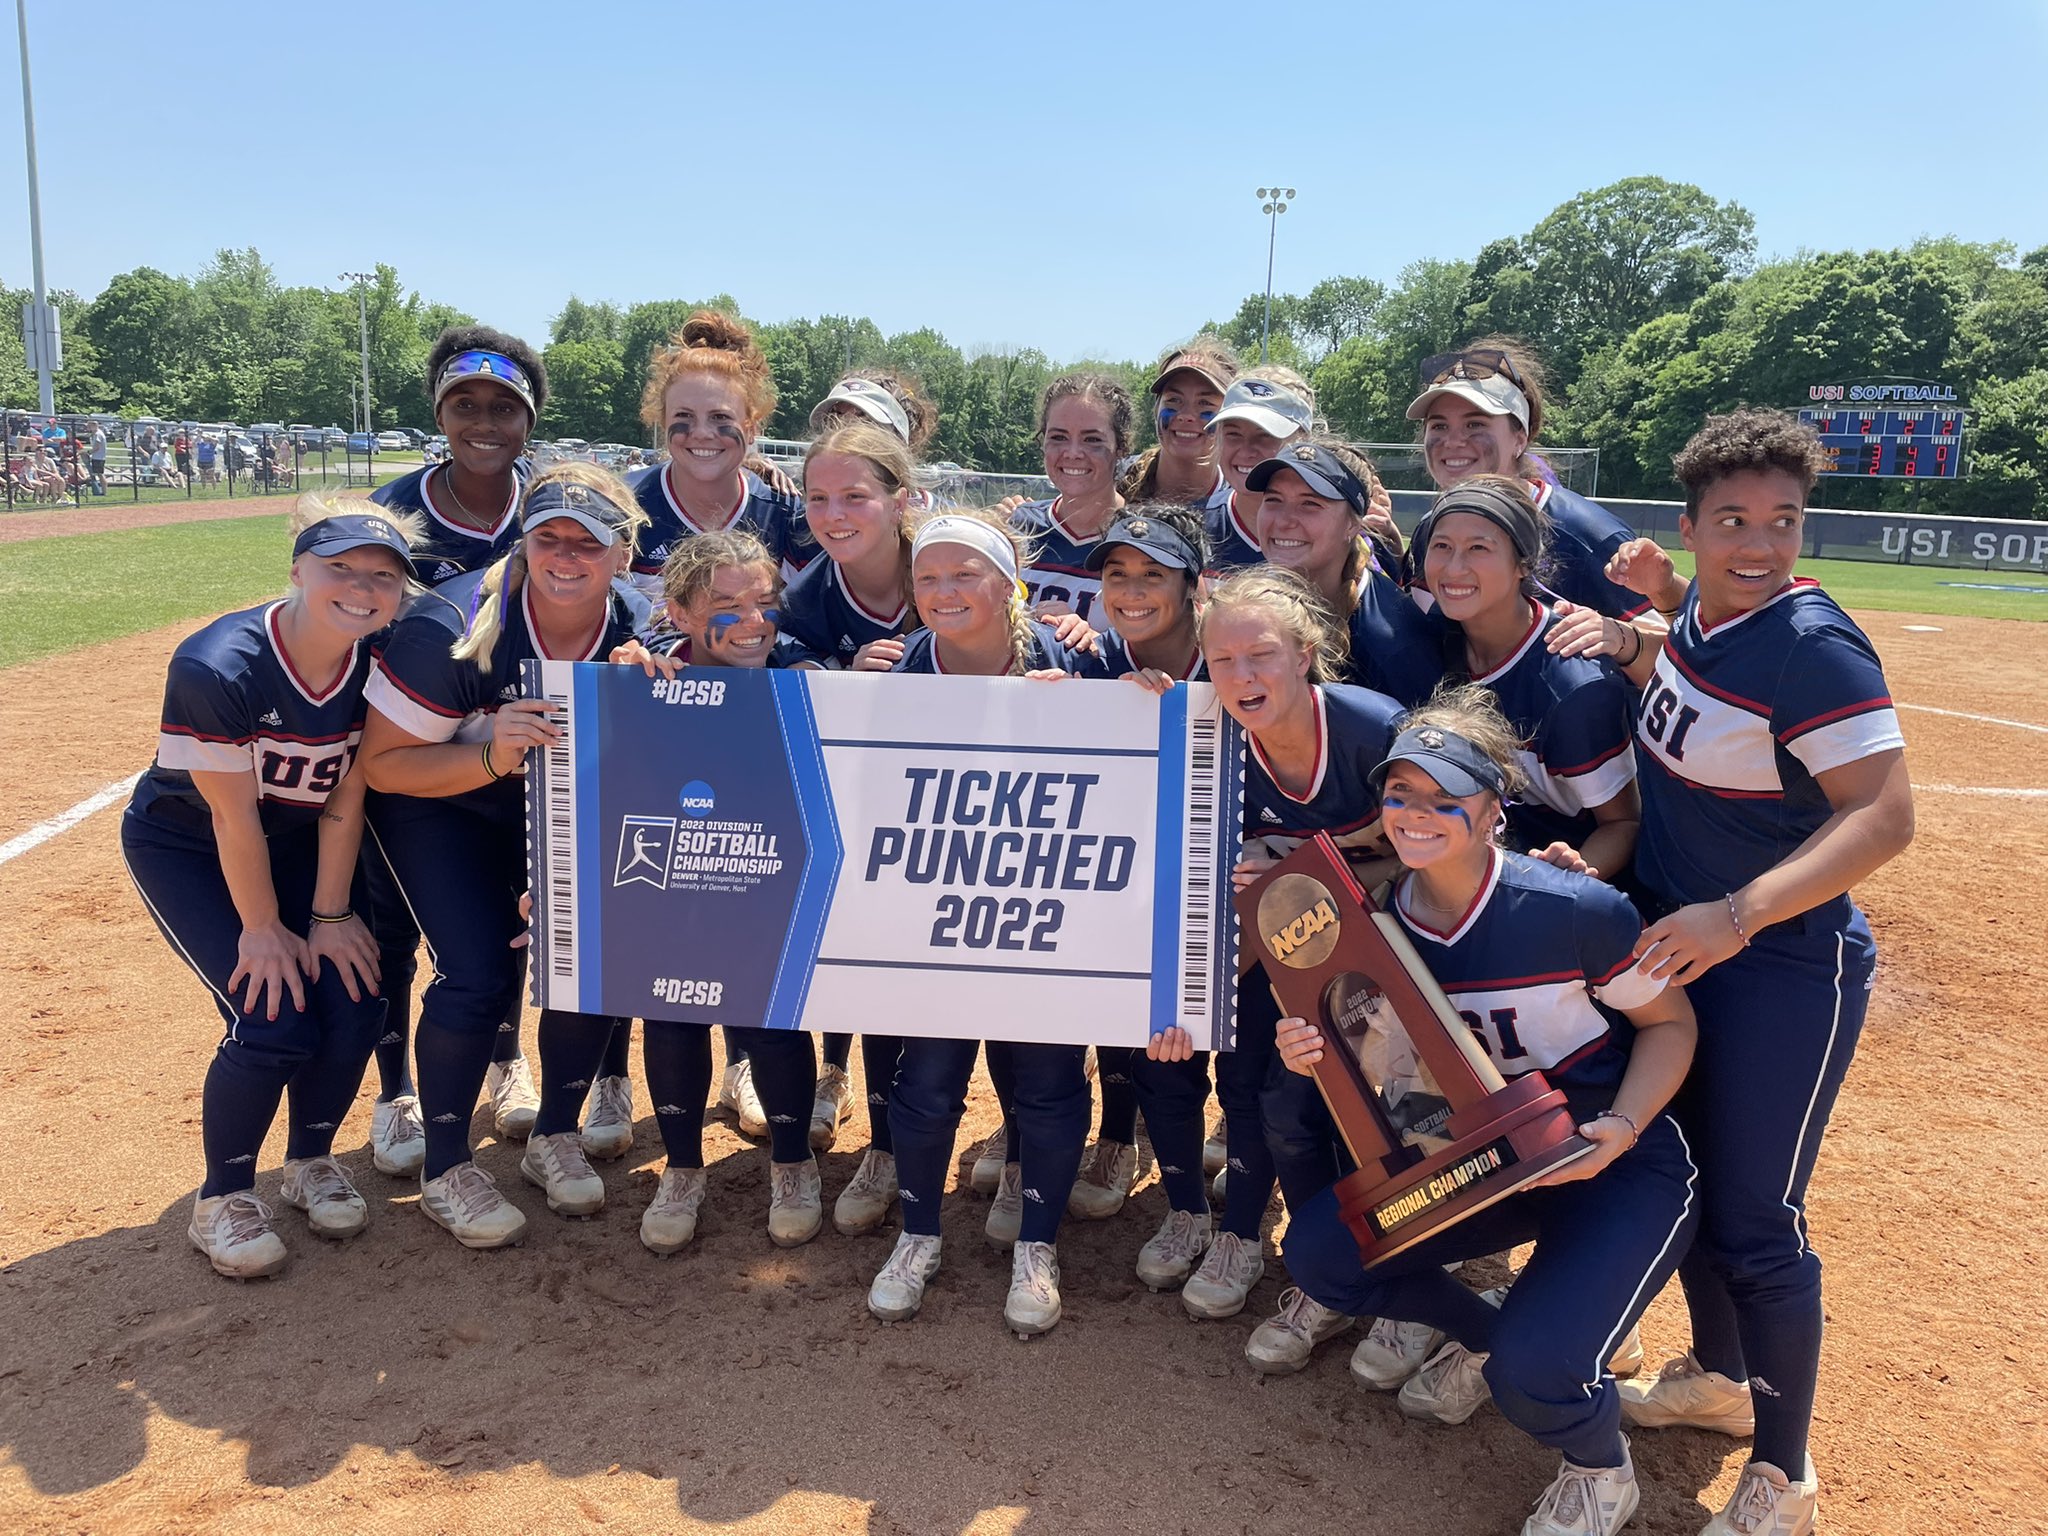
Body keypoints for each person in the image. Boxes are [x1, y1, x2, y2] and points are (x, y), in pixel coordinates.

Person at [1549, 410, 1914, 1536]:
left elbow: (1885, 815)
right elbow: (1689, 679)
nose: (1759, 545)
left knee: (1757, 1219)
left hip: (1779, 968)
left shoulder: (1812, 644)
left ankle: (1785, 1473)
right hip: (1686, 945)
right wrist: (1637, 633)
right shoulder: (1706, 610)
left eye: (1782, 523)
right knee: (1695, 1183)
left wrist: (1736, 913)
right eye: (1734, 522)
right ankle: (1713, 1379)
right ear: (1691, 524)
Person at [1277, 689, 1700, 1536]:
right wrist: (1323, 1052)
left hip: (1611, 1160)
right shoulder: (1382, 927)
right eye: (1400, 795)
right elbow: (1409, 1090)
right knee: (1323, 1255)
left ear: (1491, 810)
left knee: (1535, 1377)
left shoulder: (1573, 908)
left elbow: (1670, 1023)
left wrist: (1620, 1128)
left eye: (1443, 798)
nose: (1416, 814)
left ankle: (1599, 1468)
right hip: (1488, 1167)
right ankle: (1491, 1333)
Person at [120, 500, 417, 1278]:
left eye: (381, 577)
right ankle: (221, 1200)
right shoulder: (218, 665)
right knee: (271, 1011)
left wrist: (328, 915)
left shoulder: (381, 656)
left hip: (300, 839)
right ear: (297, 570)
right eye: (340, 568)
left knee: (356, 995)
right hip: (190, 843)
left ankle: (310, 1160)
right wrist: (262, 929)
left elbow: (346, 797)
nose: (361, 588)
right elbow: (232, 818)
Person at [356, 465, 645, 1249]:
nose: (565, 556)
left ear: (623, 552)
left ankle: (554, 1134)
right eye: (547, 537)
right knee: (479, 969)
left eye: (589, 543)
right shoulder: (450, 623)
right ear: (523, 543)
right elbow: (383, 765)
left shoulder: (637, 628)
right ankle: (446, 1166)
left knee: (593, 949)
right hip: (437, 803)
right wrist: (493, 756)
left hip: (547, 803)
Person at [1156, 566, 1405, 1374]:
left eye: (1260, 655)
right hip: (1283, 955)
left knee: (1392, 1118)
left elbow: (1456, 850)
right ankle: (1323, 1274)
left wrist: (1314, 877)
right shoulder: (1211, 736)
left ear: (1306, 653)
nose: (1241, 677)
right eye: (1221, 662)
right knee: (1281, 1108)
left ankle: (1413, 1288)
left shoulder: (1373, 731)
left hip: (1398, 958)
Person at [866, 509, 1105, 1337]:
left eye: (966, 573)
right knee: (926, 1085)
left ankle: (1037, 1244)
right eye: (928, 577)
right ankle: (918, 1236)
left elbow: (1145, 748)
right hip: (938, 916)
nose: (944, 591)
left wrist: (1101, 702)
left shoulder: (1073, 656)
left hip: (1043, 913)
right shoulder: (897, 677)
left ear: (1011, 584)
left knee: (1046, 1083)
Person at [360, 328, 556, 1178]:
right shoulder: (391, 514)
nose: (485, 421)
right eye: (465, 405)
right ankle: (395, 1089)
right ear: (440, 414)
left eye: (505, 407)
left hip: (513, 762)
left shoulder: (549, 507)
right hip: (405, 753)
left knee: (505, 921)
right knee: (393, 930)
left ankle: (506, 1062)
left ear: (528, 420)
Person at [608, 529, 829, 1252]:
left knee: (772, 1017)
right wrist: (625, 677)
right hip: (674, 876)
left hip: (770, 874)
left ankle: (793, 1164)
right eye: (725, 604)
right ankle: (682, 1169)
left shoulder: (806, 670)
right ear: (676, 609)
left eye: (764, 600)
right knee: (671, 1011)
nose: (751, 619)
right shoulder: (648, 679)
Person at [781, 419, 923, 1185]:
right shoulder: (809, 592)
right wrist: (840, 668)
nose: (834, 513)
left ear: (900, 500)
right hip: (855, 804)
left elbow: (1012, 636)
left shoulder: (943, 565)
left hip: (942, 804)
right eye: (819, 496)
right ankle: (876, 1137)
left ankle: (947, 1133)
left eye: (856, 496)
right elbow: (783, 670)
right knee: (861, 958)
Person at [1413, 475, 1639, 882]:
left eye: (1478, 548)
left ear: (1523, 565)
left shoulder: (1572, 682)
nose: (1453, 567)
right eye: (1441, 546)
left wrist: (1570, 878)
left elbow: (1624, 823)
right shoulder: (1436, 635)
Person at [1406, 339, 1649, 621]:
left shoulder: (1584, 533)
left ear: (1520, 438)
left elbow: (1670, 650)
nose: (1453, 441)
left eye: (1475, 424)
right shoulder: (1430, 531)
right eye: (1439, 426)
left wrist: (1620, 640)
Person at [629, 310, 808, 608]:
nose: (701, 433)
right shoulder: (625, 505)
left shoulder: (784, 514)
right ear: (662, 422)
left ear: (751, 430)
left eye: (720, 417)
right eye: (683, 416)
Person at [1246, 440, 1443, 708]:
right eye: (1274, 500)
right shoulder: (1252, 602)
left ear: (1353, 524)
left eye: (1310, 504)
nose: (1283, 520)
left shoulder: (1393, 640)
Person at [1008, 372, 1136, 627]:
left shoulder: (1143, 539)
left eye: (1092, 440)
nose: (1073, 453)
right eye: (1058, 437)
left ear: (1121, 447)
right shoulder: (1018, 528)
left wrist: (1089, 638)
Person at [1206, 366, 1316, 571]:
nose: (1246, 451)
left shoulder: (1333, 530)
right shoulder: (1196, 527)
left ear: (1304, 440)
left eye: (1266, 435)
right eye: (1233, 434)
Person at [1120, 338, 1238, 515]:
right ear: (1155, 408)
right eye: (1174, 400)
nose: (1186, 416)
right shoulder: (1113, 482)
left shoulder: (1240, 502)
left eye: (1204, 403)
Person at [87, 422, 108, 496]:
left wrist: (89, 452)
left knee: (100, 474)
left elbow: (97, 447)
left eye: (90, 426)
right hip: (96, 457)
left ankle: (104, 491)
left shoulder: (98, 434)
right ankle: (101, 491)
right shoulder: (94, 434)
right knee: (99, 474)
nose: (88, 428)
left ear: (94, 426)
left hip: (99, 457)